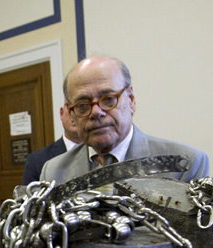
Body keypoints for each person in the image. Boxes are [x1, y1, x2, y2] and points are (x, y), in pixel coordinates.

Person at [41, 56, 209, 183]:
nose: (96, 112)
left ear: (131, 100)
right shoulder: (53, 172)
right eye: (83, 104)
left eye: (108, 99)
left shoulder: (185, 165)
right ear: (71, 114)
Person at [22, 106, 81, 185]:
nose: (74, 116)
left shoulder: (100, 153)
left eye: (80, 108)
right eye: (70, 111)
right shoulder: (37, 161)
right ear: (61, 113)